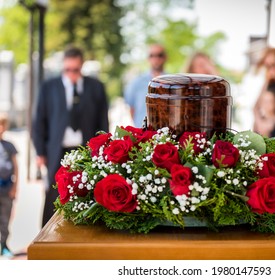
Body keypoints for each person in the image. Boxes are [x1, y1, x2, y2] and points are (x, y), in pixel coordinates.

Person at [32, 46, 109, 227]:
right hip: (57, 151)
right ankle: (47, 233)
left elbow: (103, 122)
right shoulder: (49, 87)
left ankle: (83, 229)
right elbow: (39, 121)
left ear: (81, 67)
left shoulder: (96, 87)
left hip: (85, 150)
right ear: (62, 67)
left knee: (85, 190)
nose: (72, 74)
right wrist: (40, 152)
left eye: (75, 70)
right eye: (67, 70)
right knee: (53, 192)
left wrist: (101, 150)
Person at [124, 43, 167, 128]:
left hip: (167, 134)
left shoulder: (172, 82)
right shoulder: (136, 82)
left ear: (165, 57)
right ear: (148, 58)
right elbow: (131, 108)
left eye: (159, 55)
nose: (156, 58)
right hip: (143, 133)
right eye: (152, 55)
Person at [0, 113, 18, 257]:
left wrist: (15, 187)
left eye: (3, 124)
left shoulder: (9, 146)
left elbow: (16, 167)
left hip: (6, 188)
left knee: (5, 219)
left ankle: (4, 244)